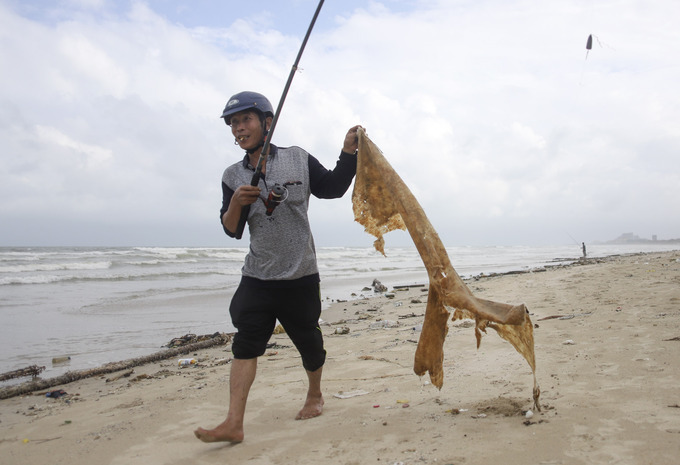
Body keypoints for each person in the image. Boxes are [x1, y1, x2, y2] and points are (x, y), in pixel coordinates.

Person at [194, 91, 361, 443]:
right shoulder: (232, 175)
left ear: (267, 122)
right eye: (233, 124)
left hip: (300, 274)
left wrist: (348, 153)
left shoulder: (297, 158)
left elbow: (332, 188)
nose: (239, 129)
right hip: (258, 276)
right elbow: (231, 229)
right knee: (245, 342)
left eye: (245, 120)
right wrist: (237, 202)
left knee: (309, 343)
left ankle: (315, 394)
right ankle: (234, 423)